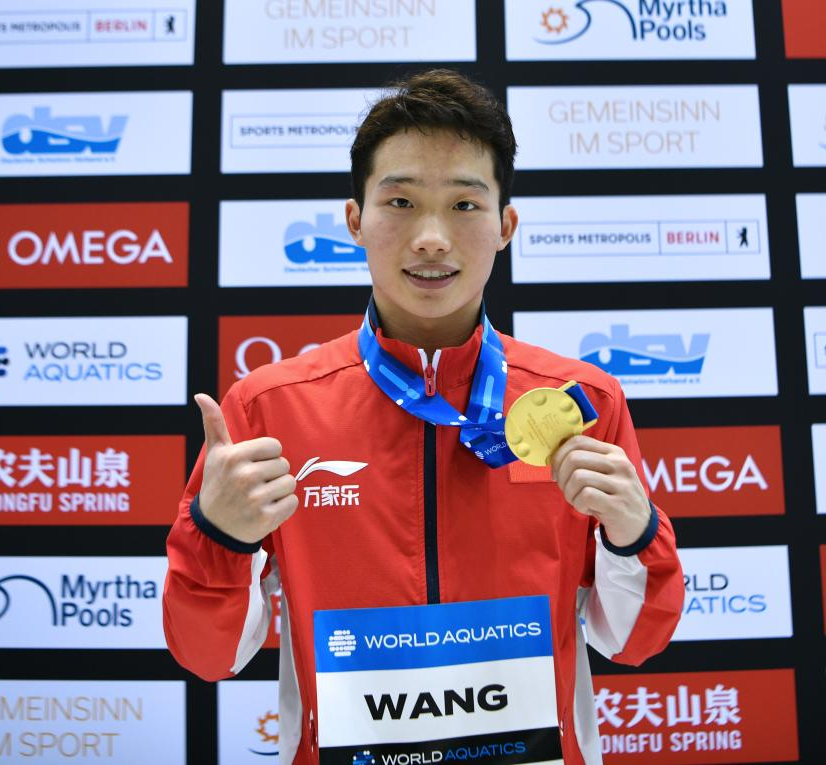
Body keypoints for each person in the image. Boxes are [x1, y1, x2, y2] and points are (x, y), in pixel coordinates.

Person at [163, 69, 684, 764]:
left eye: (465, 204)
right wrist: (218, 536)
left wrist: (632, 533)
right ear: (355, 220)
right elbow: (208, 655)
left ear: (505, 226)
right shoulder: (269, 408)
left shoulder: (580, 403)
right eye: (401, 201)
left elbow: (636, 639)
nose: (433, 237)